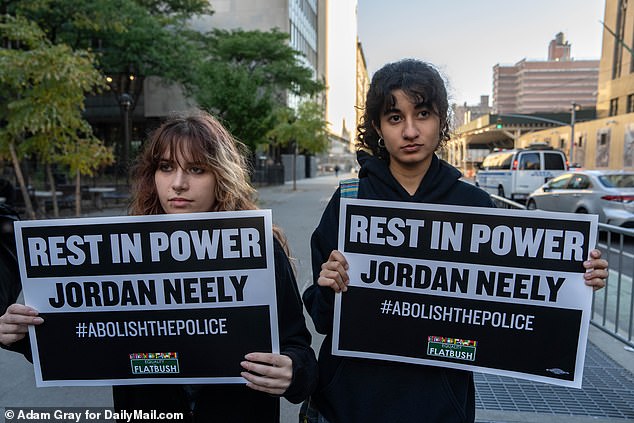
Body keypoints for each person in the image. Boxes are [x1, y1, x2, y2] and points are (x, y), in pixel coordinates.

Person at [302, 59, 608, 423]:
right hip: (351, 402)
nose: (411, 130)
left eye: (423, 113)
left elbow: (511, 301)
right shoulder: (351, 200)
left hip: (439, 406)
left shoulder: (474, 205)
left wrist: (578, 280)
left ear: (442, 121)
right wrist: (328, 287)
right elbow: (322, 319)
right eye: (395, 117)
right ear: (378, 128)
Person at [0, 110, 317, 422]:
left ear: (221, 176)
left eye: (196, 169)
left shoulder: (259, 247)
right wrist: (19, 333)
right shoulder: (118, 252)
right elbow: (80, 338)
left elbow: (298, 348)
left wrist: (292, 370)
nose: (178, 184)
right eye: (166, 167)